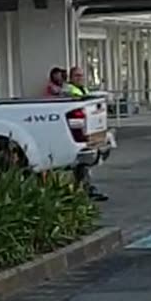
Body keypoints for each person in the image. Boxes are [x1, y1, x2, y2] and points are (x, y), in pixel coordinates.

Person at [62, 65, 108, 202]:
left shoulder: (82, 89)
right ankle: (83, 189)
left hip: (86, 129)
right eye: (77, 76)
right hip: (75, 130)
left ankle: (83, 188)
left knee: (84, 162)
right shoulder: (69, 90)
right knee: (81, 161)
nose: (80, 78)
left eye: (81, 75)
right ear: (71, 77)